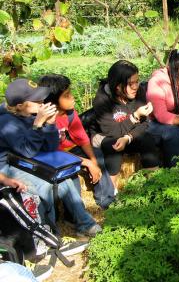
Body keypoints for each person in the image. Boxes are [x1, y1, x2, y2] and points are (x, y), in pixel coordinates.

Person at [0, 79, 101, 236]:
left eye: (42, 99)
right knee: (44, 186)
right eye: (36, 100)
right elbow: (27, 151)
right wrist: (38, 124)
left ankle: (84, 224)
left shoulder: (29, 115)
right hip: (7, 167)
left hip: (26, 161)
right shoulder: (7, 123)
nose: (42, 103)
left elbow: (50, 147)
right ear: (20, 106)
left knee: (66, 180)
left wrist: (50, 125)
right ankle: (48, 232)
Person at [38, 74, 115, 209]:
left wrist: (94, 161)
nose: (72, 97)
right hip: (54, 156)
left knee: (97, 154)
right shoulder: (45, 120)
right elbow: (54, 153)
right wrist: (87, 163)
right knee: (70, 174)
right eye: (67, 95)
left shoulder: (69, 113)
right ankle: (75, 213)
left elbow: (81, 137)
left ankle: (106, 200)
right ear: (53, 101)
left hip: (68, 150)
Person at [92, 60, 160, 187]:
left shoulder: (138, 92)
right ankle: (110, 194)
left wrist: (128, 138)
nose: (135, 86)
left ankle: (154, 185)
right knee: (114, 146)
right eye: (130, 83)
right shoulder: (102, 100)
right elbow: (111, 131)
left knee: (148, 139)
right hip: (104, 136)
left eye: (137, 81)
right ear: (118, 86)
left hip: (128, 135)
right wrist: (135, 116)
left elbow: (144, 124)